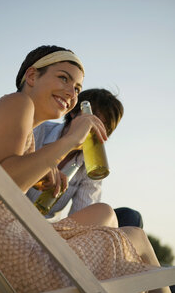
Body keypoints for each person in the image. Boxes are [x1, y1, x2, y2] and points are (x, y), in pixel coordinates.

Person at [0, 45, 174, 293]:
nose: (71, 92)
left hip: (3, 253)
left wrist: (41, 168)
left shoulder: (21, 121)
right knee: (136, 238)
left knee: (110, 215)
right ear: (32, 76)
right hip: (18, 263)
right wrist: (71, 140)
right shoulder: (18, 103)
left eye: (78, 88)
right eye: (63, 78)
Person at [27, 88, 144, 228]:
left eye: (103, 126)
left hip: (46, 226)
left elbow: (81, 218)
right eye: (91, 119)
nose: (94, 128)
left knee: (130, 217)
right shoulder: (39, 130)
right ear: (73, 113)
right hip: (9, 206)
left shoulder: (94, 165)